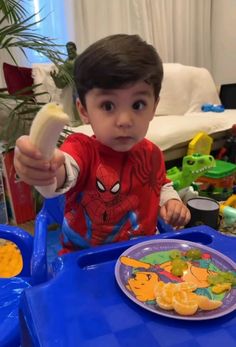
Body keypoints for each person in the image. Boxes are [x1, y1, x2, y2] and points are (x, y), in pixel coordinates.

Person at [14, 34, 190, 254]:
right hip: (86, 259)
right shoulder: (81, 149)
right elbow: (63, 171)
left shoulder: (152, 153)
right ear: (84, 110)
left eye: (138, 104)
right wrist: (44, 169)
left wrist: (171, 200)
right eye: (108, 106)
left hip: (143, 253)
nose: (125, 121)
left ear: (154, 107)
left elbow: (161, 183)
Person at [50, 41, 82, 125]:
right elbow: (62, 82)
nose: (69, 52)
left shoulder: (80, 59)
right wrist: (55, 78)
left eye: (71, 49)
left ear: (75, 49)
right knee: (72, 102)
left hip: (80, 84)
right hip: (70, 87)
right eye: (68, 50)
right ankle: (74, 119)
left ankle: (81, 119)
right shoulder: (66, 63)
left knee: (79, 101)